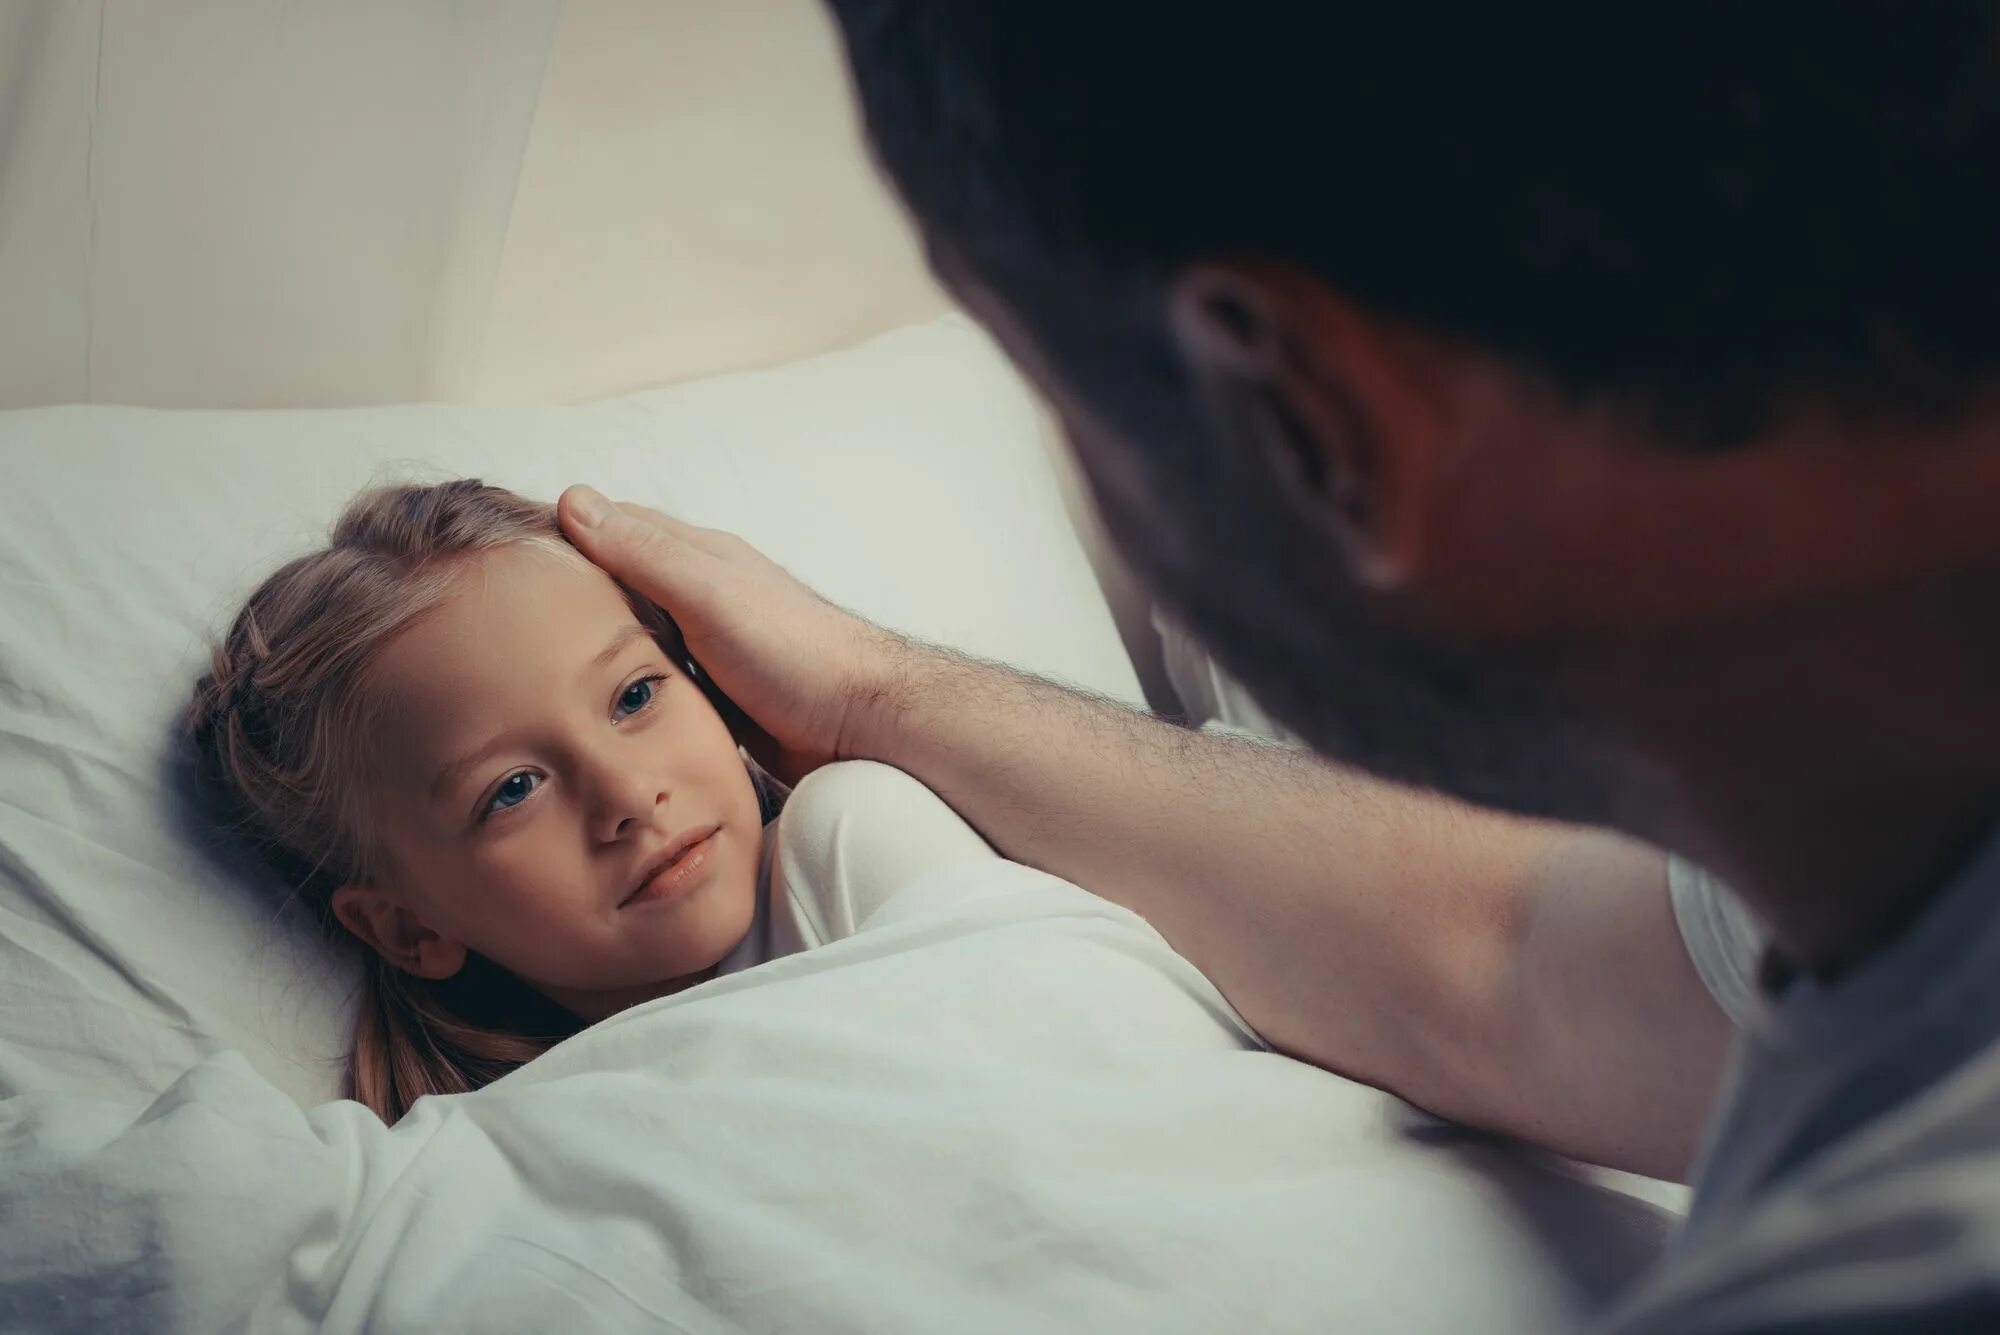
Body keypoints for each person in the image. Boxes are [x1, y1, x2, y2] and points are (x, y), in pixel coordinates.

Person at [547, 4, 2000, 1330]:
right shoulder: (1878, 825)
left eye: (1061, 404)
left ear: (1310, 423)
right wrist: (872, 688)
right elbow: (1496, 954)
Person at [187, 479, 1001, 1123]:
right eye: (512, 790)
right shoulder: (493, 1157)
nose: (626, 795)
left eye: (635, 696)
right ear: (409, 926)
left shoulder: (850, 843)